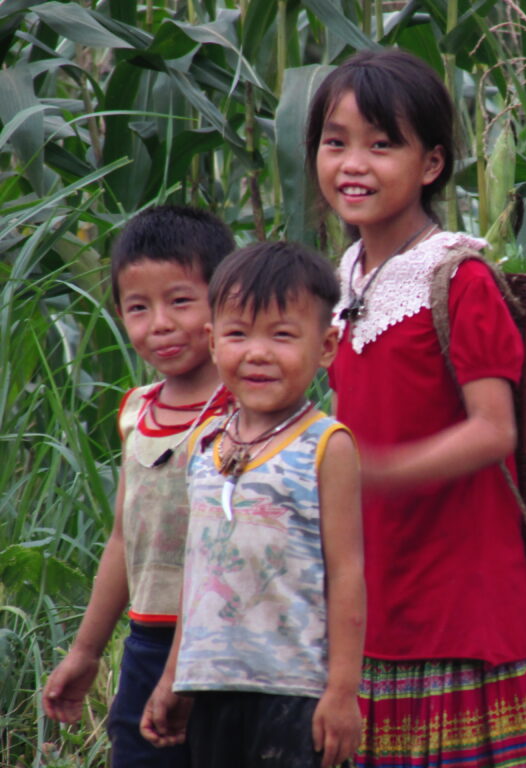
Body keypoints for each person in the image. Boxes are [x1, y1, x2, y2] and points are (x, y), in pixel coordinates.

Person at [305, 48, 526, 766]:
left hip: (455, 596)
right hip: (372, 586)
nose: (354, 164)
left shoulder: (456, 278)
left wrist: (373, 471)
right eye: (335, 142)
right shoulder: (346, 277)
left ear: (431, 165)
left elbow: (494, 429)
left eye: (383, 145)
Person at [139, 240, 365, 768]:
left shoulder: (327, 445)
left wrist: (342, 692)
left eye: (283, 336)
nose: (257, 353)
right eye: (238, 334)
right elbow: (197, 574)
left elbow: (348, 573)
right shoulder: (206, 445)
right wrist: (176, 676)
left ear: (327, 346)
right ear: (214, 342)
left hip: (294, 692)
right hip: (212, 689)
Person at [42, 204, 235, 767]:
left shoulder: (245, 410)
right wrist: (86, 651)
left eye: (180, 301)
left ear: (222, 300)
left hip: (230, 647)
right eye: (138, 307)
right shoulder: (138, 412)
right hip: (148, 643)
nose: (160, 324)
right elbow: (125, 539)